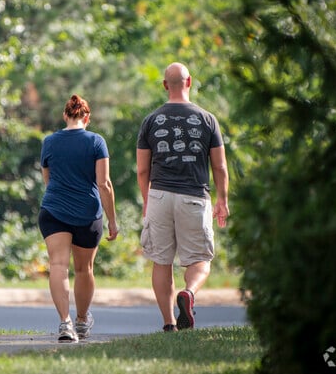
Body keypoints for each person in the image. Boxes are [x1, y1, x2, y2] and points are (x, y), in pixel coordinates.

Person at [136, 62, 229, 332]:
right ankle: (188, 292)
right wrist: (222, 199)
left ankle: (169, 323)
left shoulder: (151, 120)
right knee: (200, 259)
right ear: (189, 82)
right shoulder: (207, 119)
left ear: (166, 85)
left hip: (160, 196)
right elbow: (220, 166)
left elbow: (143, 169)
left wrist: (147, 201)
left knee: (161, 261)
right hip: (194, 197)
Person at [39, 94, 119, 342]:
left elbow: (47, 180)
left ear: (65, 115)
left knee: (58, 266)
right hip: (87, 213)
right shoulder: (96, 142)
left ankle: (65, 323)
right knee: (84, 269)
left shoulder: (49, 142)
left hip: (54, 211)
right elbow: (104, 184)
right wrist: (113, 221)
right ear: (87, 118)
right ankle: (82, 321)